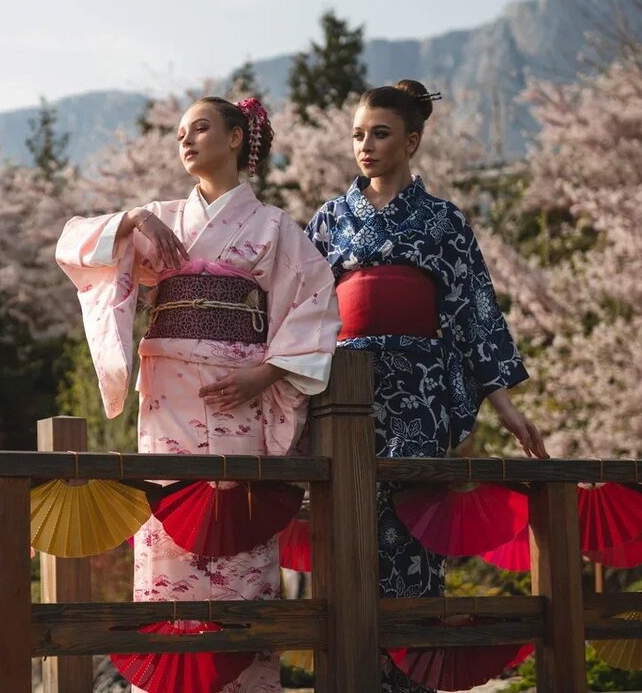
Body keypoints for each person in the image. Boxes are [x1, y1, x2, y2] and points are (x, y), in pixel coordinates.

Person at [57, 97, 340, 692]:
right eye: (180, 133)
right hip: (168, 398)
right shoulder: (161, 217)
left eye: (202, 128)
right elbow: (72, 243)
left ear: (237, 137)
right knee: (170, 525)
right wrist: (133, 219)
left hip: (239, 390)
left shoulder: (275, 229)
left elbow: (315, 303)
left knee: (236, 523)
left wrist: (265, 375)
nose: (185, 141)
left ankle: (246, 680)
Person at [304, 79, 548, 693]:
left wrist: (508, 408)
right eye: (358, 134)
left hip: (419, 392)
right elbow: (301, 310)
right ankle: (349, 676)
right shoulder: (330, 220)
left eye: (380, 134)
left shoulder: (443, 221)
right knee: (345, 531)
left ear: (411, 140)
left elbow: (475, 315)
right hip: (344, 393)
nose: (366, 145)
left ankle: (409, 681)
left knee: (413, 533)